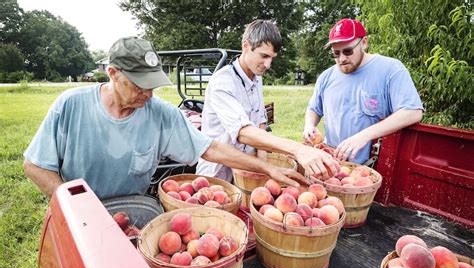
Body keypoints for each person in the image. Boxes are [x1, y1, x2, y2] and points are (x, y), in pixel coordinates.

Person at [23, 36, 307, 200]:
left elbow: (212, 148)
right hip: (79, 215)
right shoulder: (71, 106)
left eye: (152, 85)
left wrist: (267, 168)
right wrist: (68, 203)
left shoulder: (161, 114)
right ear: (113, 73)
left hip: (133, 212)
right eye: (138, 85)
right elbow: (35, 165)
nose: (147, 94)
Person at [196, 19, 339, 182]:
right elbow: (243, 133)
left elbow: (260, 123)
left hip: (247, 170)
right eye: (264, 56)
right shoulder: (223, 83)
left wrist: (264, 166)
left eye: (272, 57)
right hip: (217, 175)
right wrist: (297, 150)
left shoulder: (256, 77)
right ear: (246, 46)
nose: (268, 64)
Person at [303, 18, 423, 164]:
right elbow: (314, 109)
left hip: (372, 168)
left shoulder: (390, 69)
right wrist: (309, 125)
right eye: (336, 53)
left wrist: (364, 136)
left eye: (348, 51)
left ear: (364, 42)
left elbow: (413, 111)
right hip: (332, 163)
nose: (341, 59)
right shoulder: (326, 77)